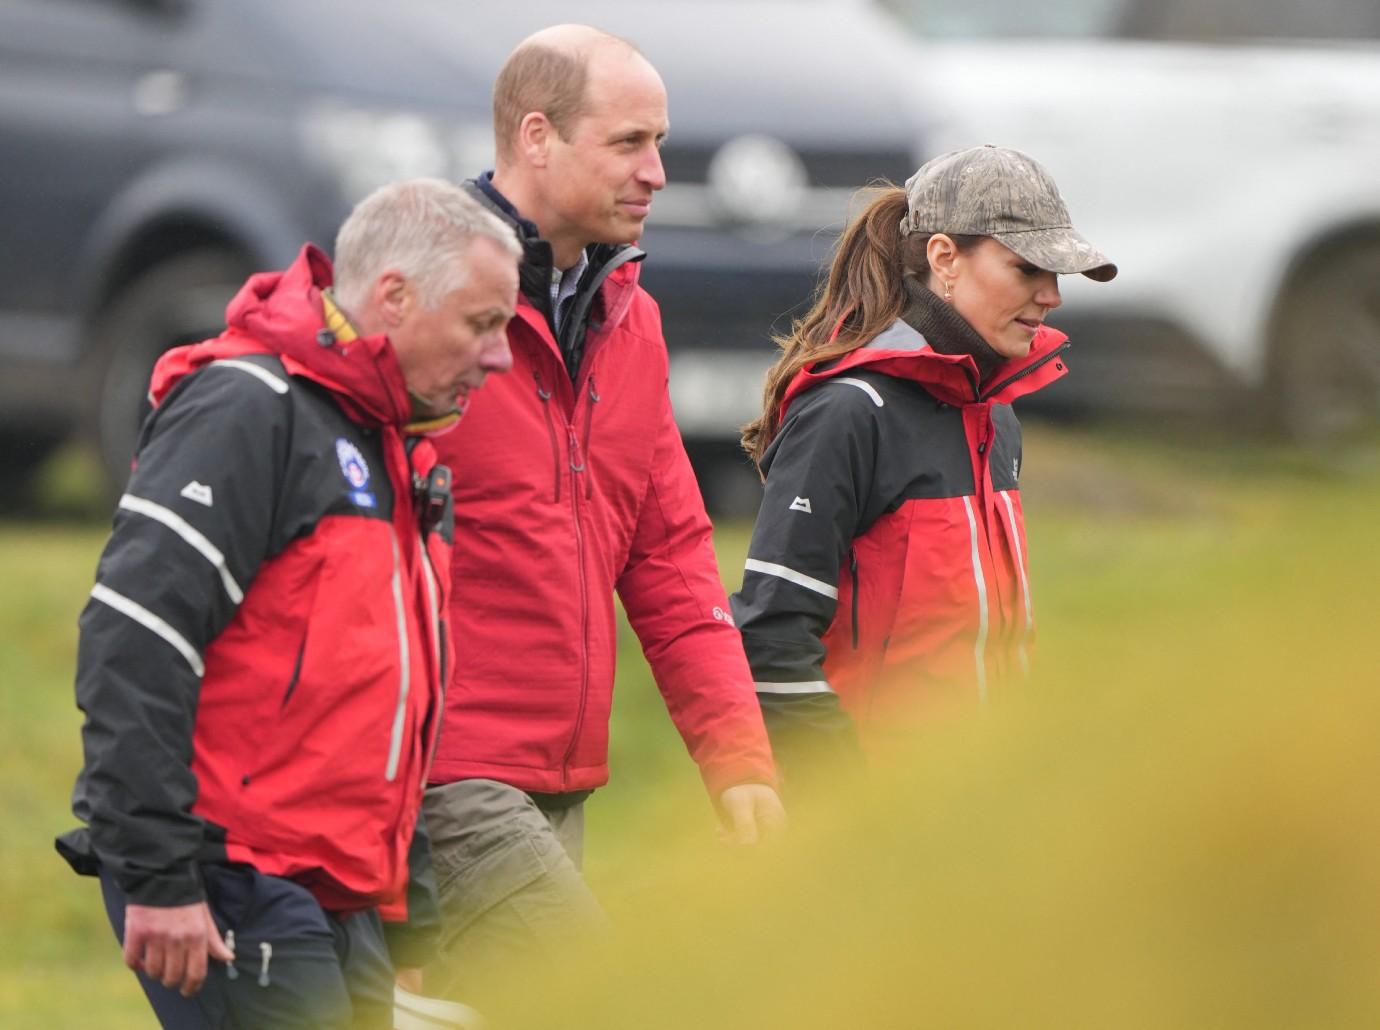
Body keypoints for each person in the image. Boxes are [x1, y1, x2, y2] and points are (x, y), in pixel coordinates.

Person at [55, 178, 521, 1028]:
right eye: (482, 325)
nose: (500, 358)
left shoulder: (395, 441)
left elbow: (387, 700)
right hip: (232, 877)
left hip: (339, 896)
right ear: (393, 296)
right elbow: (135, 639)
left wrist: (408, 914)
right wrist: (161, 878)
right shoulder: (247, 409)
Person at [421, 24, 785, 998]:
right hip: (441, 773)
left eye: (658, 144)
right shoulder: (420, 300)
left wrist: (737, 756)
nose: (659, 172)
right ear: (536, 137)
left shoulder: (634, 316)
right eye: (630, 144)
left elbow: (668, 555)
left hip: (559, 783)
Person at [731, 145, 1117, 780]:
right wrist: (856, 809)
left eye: (1058, 275)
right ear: (944, 258)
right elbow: (771, 640)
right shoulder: (849, 413)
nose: (1051, 295)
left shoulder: (996, 416)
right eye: (1027, 269)